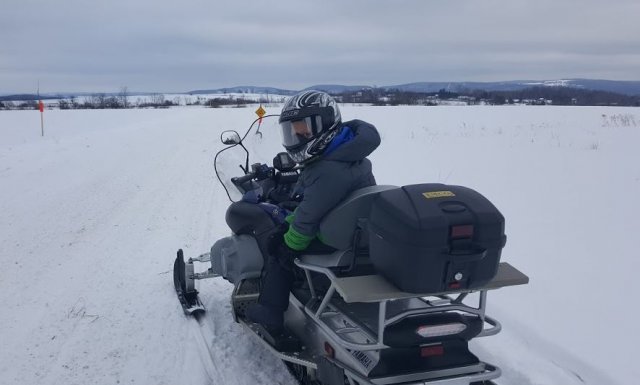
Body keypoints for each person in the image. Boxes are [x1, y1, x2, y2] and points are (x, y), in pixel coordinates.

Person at [245, 90, 380, 333]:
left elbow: (308, 218)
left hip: (332, 238)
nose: (298, 136)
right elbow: (317, 205)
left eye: (304, 131)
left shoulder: (328, 170)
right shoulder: (349, 155)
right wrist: (290, 222)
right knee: (286, 226)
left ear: (326, 126)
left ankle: (270, 310)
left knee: (277, 253)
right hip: (353, 230)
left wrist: (288, 244)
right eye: (294, 131)